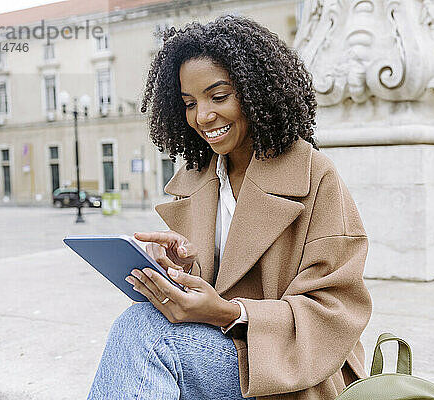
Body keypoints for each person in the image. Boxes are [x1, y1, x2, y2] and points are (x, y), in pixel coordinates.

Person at [87, 16, 371, 400]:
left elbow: (335, 310)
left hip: (292, 367)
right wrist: (180, 270)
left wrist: (226, 312)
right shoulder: (197, 177)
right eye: (189, 103)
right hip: (222, 352)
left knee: (143, 335)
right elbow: (219, 282)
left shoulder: (314, 176)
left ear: (257, 93)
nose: (203, 117)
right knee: (140, 324)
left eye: (218, 97)